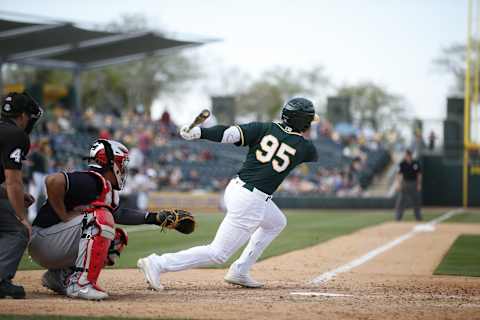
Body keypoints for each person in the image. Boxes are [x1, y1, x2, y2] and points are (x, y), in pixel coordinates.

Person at [137, 97, 319, 290]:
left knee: (276, 222)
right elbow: (304, 145)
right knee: (218, 253)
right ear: (303, 122)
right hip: (251, 200)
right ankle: (158, 263)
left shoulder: (263, 128)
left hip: (237, 188)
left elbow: (228, 133)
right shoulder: (306, 148)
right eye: (309, 121)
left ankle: (240, 270)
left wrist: (198, 132)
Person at [28, 139, 195, 300]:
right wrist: (63, 214)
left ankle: (58, 277)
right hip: (43, 239)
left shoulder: (103, 185)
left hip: (50, 241)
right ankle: (80, 284)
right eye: (121, 163)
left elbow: (118, 214)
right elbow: (52, 180)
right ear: (108, 162)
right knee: (101, 219)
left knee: (115, 239)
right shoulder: (92, 179)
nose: (123, 168)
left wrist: (154, 218)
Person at [0, 92, 43, 299]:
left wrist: (9, 194)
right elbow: (13, 181)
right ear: (24, 116)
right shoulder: (17, 135)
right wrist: (21, 217)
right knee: (17, 231)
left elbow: (11, 187)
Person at [394, 149, 422, 221]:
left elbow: (419, 174)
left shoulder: (415, 163)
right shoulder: (402, 163)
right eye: (406, 155)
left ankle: (418, 217)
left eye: (408, 155)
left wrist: (419, 184)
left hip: (414, 183)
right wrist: (398, 184)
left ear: (410, 156)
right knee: (401, 201)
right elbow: (399, 174)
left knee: (416, 201)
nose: (407, 157)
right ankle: (398, 218)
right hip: (405, 183)